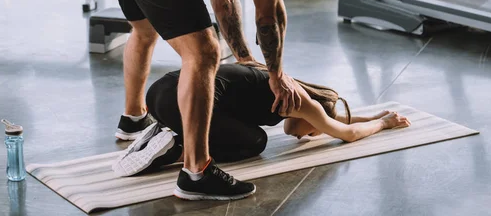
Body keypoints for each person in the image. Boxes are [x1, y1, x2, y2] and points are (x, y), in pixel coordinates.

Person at [97, 0, 316, 200]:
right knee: (204, 54)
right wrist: (277, 74)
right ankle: (196, 173)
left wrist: (243, 56)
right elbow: (269, 14)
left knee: (144, 32)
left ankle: (132, 120)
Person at [113, 61, 412, 201]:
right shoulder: (303, 104)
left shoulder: (285, 84)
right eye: (314, 130)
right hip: (178, 103)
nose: (306, 135)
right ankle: (178, 143)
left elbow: (339, 124)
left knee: (244, 128)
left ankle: (169, 132)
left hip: (162, 93)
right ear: (318, 112)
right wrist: (382, 124)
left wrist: (373, 115)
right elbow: (346, 134)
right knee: (256, 141)